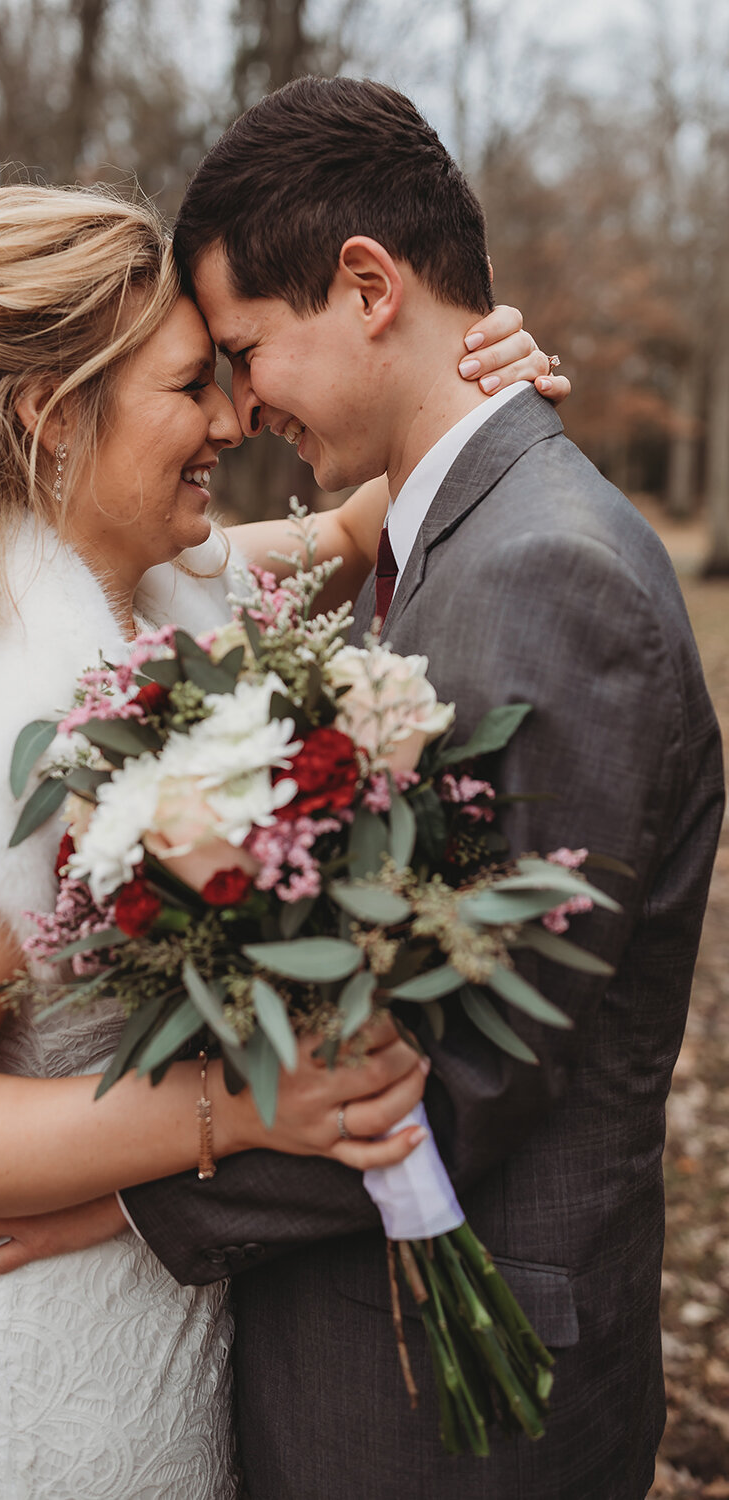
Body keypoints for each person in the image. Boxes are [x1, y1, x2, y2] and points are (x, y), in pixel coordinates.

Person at [0, 181, 556, 1498]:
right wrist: (250, 1106)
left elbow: (359, 526)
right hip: (51, 1397)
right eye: (194, 385)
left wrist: (481, 375)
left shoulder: (161, 600)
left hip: (167, 1318)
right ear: (55, 416)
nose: (236, 418)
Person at [102, 79, 722, 1500]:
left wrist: (100, 1194)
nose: (243, 408)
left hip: (446, 1416)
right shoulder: (452, 530)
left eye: (249, 351)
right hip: (377, 1362)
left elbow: (457, 1073)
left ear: (368, 284)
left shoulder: (543, 573)